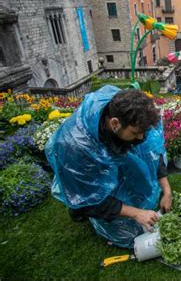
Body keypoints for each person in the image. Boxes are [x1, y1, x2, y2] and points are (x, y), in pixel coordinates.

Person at [46, 87, 172, 248]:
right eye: (135, 133)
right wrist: (136, 213)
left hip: (116, 151)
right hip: (85, 186)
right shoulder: (75, 148)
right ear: (114, 123)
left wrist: (167, 191)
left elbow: (154, 154)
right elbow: (88, 199)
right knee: (128, 236)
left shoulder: (133, 117)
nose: (141, 137)